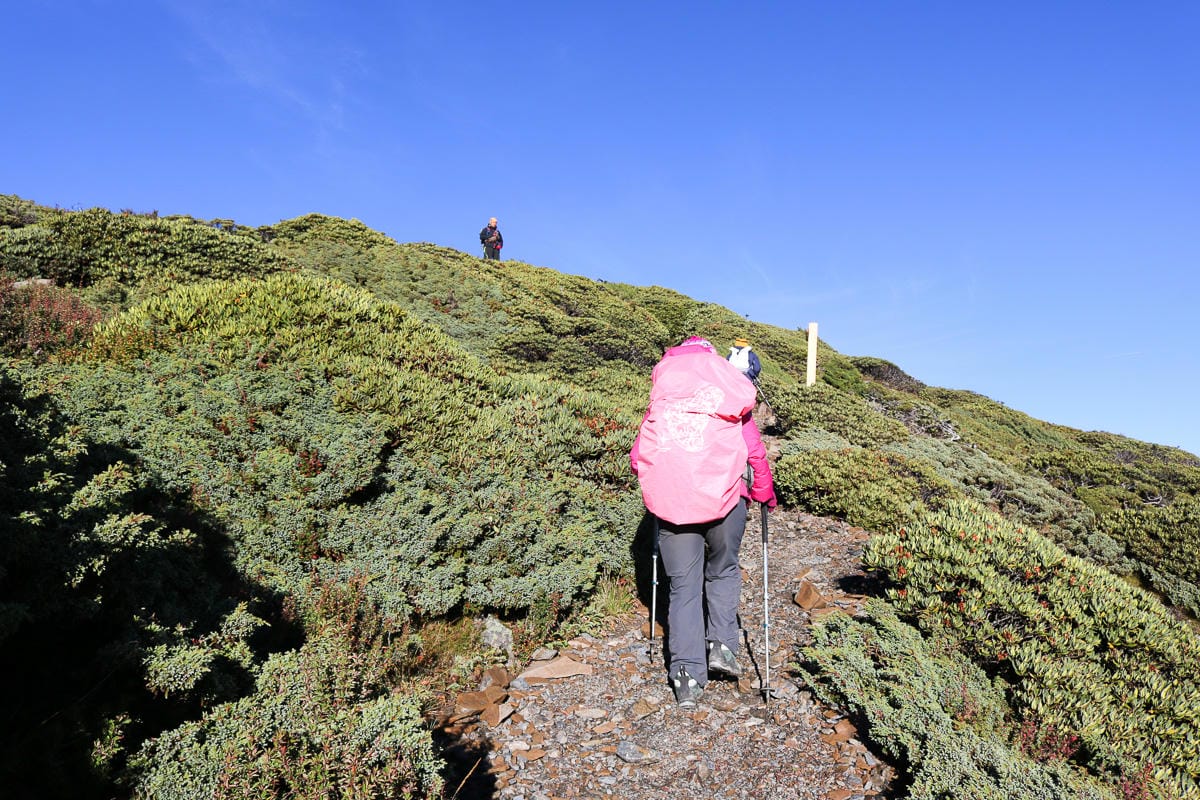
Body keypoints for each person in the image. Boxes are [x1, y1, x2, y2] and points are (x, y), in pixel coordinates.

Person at [629, 336, 777, 708]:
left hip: (675, 506)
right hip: (726, 501)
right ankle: (722, 647)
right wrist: (763, 491)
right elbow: (755, 451)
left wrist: (662, 489)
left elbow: (637, 458)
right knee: (723, 569)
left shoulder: (663, 400)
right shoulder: (728, 393)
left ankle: (686, 676)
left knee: (682, 586)